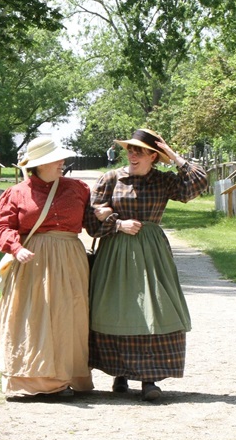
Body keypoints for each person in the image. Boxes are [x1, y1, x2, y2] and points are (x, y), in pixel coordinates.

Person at [85, 128, 209, 401]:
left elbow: (199, 184)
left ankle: (149, 379)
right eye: (130, 149)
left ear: (154, 156)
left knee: (153, 311)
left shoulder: (163, 181)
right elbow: (90, 222)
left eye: (139, 150)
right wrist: (117, 223)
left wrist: (175, 156)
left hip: (152, 254)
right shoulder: (111, 179)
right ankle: (119, 374)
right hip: (115, 253)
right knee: (117, 310)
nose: (132, 154)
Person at [0, 136, 108, 398]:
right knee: (34, 316)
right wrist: (17, 248)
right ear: (40, 164)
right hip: (33, 260)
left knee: (69, 316)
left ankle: (65, 378)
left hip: (70, 259)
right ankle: (34, 381)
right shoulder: (17, 193)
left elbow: (92, 223)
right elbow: (1, 227)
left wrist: (105, 216)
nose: (62, 163)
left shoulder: (77, 188)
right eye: (57, 159)